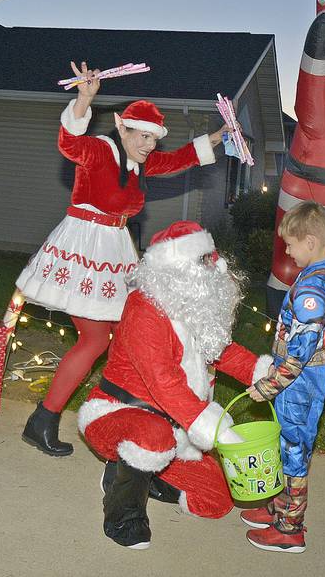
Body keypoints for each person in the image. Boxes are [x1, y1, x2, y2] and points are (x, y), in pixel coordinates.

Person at [16, 61, 233, 456]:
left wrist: (215, 139)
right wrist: (83, 101)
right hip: (84, 248)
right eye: (143, 136)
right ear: (122, 126)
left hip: (115, 247)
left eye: (154, 138)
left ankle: (126, 416)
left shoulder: (140, 162)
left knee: (122, 337)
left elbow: (178, 159)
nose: (150, 145)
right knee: (98, 339)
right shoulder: (100, 149)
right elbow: (69, 145)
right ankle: (49, 418)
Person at [76, 220, 272, 549]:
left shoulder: (195, 307)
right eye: (204, 261)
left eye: (212, 259)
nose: (215, 267)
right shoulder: (144, 310)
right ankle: (124, 513)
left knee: (217, 499)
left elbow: (223, 352)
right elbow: (163, 382)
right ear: (176, 269)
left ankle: (130, 477)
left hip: (177, 429)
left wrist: (265, 372)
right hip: (117, 413)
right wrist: (217, 427)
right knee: (153, 436)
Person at [243, 201, 325, 553]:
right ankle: (280, 508)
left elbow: (299, 353)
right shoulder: (318, 274)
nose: (286, 250)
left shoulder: (312, 292)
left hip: (299, 384)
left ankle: (290, 529)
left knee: (294, 453)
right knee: (287, 449)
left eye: (291, 244)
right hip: (298, 381)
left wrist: (269, 385)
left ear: (310, 242)